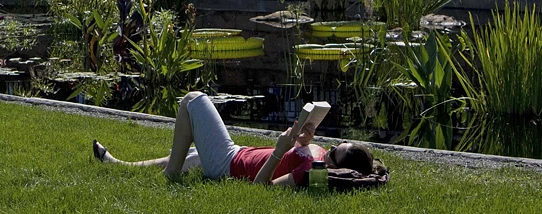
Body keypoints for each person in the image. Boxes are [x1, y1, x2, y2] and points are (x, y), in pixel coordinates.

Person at [92, 91, 380, 187]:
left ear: (337, 168)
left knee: (193, 100)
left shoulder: (313, 173)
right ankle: (120, 165)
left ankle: (171, 175)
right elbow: (302, 153)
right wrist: (303, 139)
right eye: (333, 145)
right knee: (188, 154)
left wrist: (280, 152)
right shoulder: (317, 158)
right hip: (238, 153)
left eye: (333, 154)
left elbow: (261, 189)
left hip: (229, 165)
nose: (328, 150)